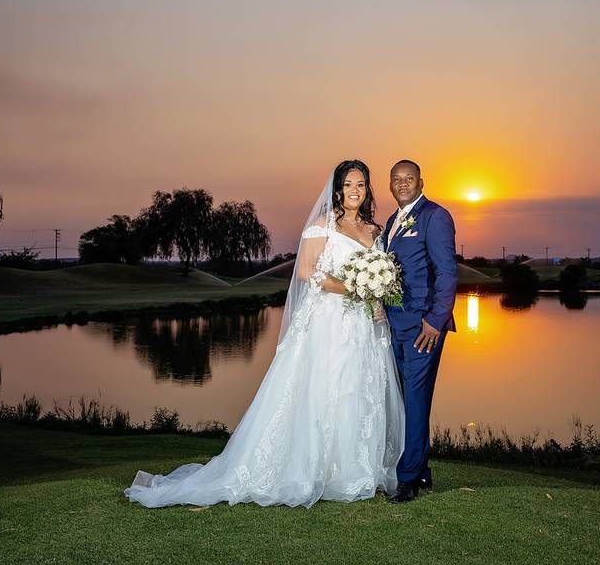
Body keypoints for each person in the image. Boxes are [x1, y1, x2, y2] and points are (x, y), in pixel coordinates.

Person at [124, 160, 404, 508]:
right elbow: (308, 274)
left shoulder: (374, 230)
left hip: (364, 325)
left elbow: (381, 272)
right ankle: (316, 470)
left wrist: (374, 290)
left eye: (361, 185)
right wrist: (354, 288)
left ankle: (357, 470)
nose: (355, 191)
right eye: (348, 184)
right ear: (336, 189)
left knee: (359, 389)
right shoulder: (322, 226)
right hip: (329, 324)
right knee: (329, 387)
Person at [383, 159, 458, 503]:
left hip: (422, 326)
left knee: (413, 398)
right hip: (394, 323)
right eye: (396, 179)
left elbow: (446, 273)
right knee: (408, 399)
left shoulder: (435, 216)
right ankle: (422, 470)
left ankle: (408, 480)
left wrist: (435, 319)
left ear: (420, 181)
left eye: (408, 178)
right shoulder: (390, 222)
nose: (402, 183)